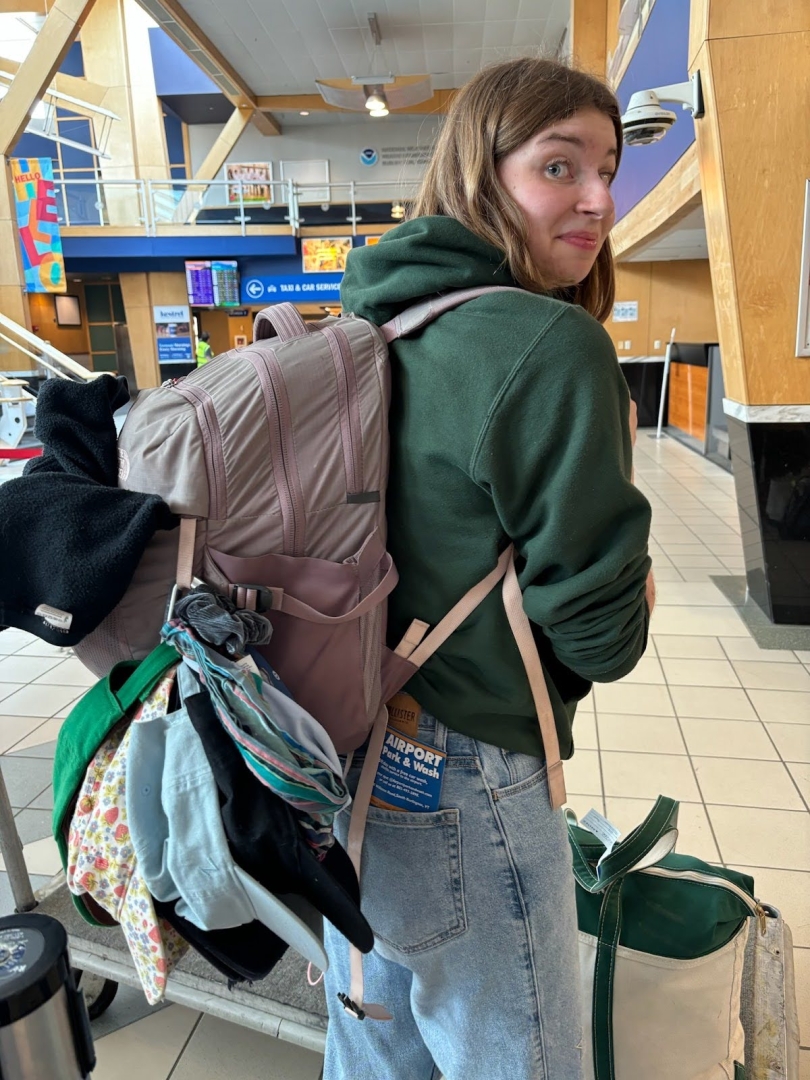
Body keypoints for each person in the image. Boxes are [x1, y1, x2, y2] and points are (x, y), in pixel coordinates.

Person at [323, 57, 655, 1080]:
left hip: (344, 752)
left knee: (377, 1055)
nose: (599, 199)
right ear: (484, 172)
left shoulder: (370, 319)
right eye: (560, 166)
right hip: (470, 777)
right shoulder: (548, 345)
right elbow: (601, 635)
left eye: (607, 166)